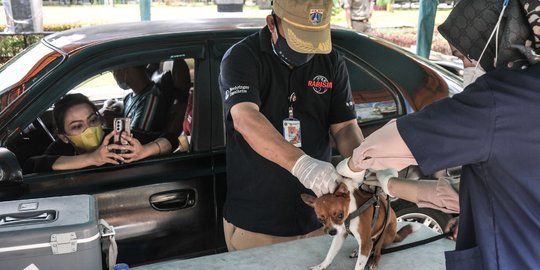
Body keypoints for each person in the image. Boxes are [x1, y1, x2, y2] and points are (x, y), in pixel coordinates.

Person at [337, 0, 540, 268]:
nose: (464, 66)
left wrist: (351, 166)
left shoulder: (497, 101)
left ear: (494, 41)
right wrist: (389, 185)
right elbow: (465, 193)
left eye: (463, 57)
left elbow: (397, 141)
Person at [219, 0, 364, 251]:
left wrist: (362, 162)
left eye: (313, 39)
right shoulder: (242, 58)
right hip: (258, 225)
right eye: (299, 39)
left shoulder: (330, 61)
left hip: (319, 219)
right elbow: (245, 118)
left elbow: (345, 127)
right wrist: (303, 165)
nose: (307, 49)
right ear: (272, 23)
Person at [27, 93, 178, 172]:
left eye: (92, 120)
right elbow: (33, 164)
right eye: (77, 126)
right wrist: (93, 158)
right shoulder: (62, 147)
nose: (90, 129)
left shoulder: (117, 138)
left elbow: (171, 139)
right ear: (64, 137)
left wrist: (144, 151)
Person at [113, 65, 169, 132]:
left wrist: (115, 123)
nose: (114, 75)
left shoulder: (150, 99)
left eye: (113, 71)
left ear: (125, 70)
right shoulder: (128, 98)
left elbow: (137, 137)